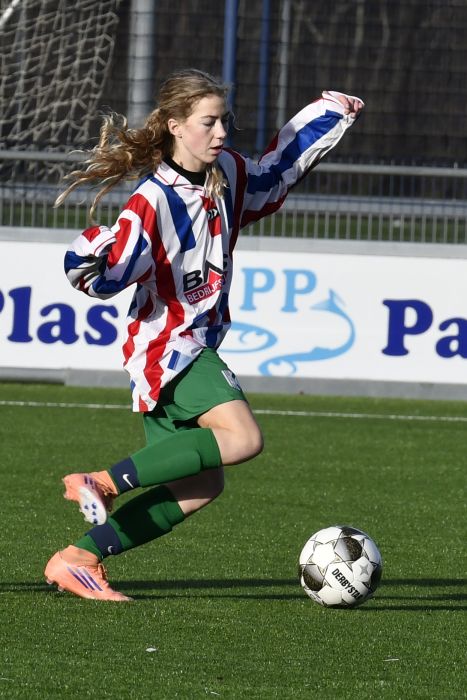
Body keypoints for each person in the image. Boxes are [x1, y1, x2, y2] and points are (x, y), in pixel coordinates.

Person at [44, 68, 364, 601]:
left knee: (200, 485)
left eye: (223, 121)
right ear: (175, 125)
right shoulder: (152, 201)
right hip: (170, 346)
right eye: (207, 122)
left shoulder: (229, 172)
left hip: (189, 345)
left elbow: (275, 175)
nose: (220, 133)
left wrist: (330, 113)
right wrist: (91, 257)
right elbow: (105, 273)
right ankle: (101, 480)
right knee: (244, 438)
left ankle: (77, 559)